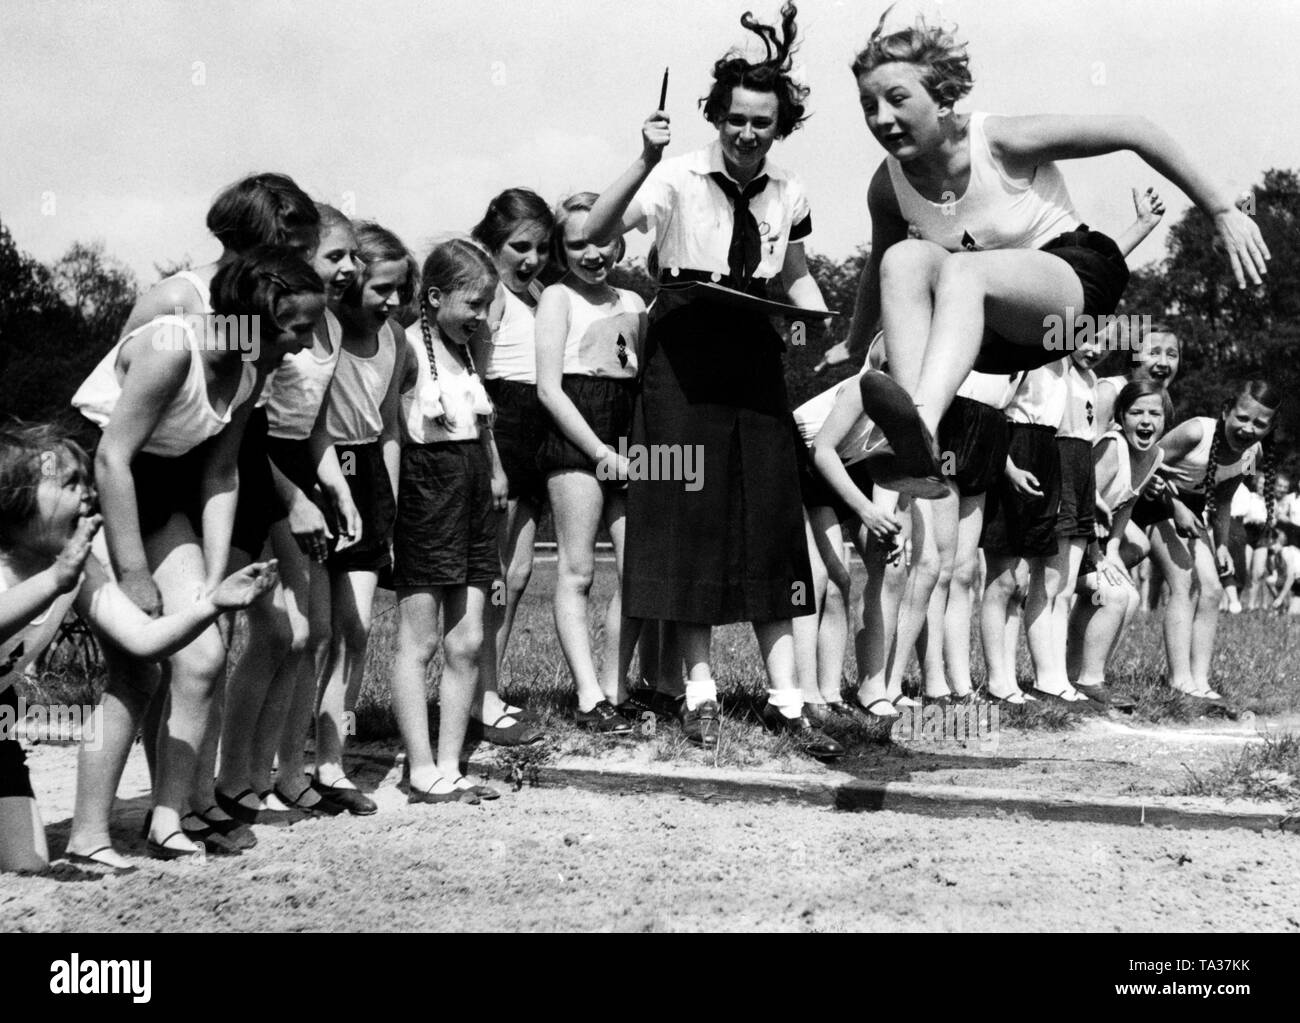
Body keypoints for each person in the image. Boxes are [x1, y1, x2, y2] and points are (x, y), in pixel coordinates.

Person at [822, 10, 1267, 497]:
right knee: (904, 260)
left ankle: (923, 422)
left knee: (963, 270)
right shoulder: (888, 187)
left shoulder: (1000, 141)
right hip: (993, 337)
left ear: (944, 98)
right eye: (869, 106)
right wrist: (854, 338)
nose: (882, 119)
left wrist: (1221, 210)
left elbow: (1135, 130)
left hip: (1069, 297)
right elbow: (879, 267)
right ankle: (914, 435)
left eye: (897, 99)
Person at [585, 2, 841, 757]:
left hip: (753, 353)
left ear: (779, 125)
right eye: (735, 118)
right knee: (690, 514)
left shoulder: (790, 193)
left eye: (762, 122)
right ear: (717, 115)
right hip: (681, 355)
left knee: (769, 517)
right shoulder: (673, 178)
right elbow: (597, 233)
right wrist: (639, 154)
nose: (746, 132)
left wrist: (823, 324)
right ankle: (697, 690)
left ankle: (787, 698)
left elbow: (795, 278)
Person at [66, 250, 324, 861]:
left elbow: (220, 474)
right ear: (251, 320)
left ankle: (167, 815)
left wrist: (213, 583)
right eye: (297, 328)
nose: (307, 344)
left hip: (165, 494)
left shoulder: (248, 372)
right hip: (94, 489)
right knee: (138, 669)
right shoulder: (170, 348)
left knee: (203, 652)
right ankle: (87, 836)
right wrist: (132, 572)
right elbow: (111, 459)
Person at [0, 425, 278, 873]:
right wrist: (54, 580)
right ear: (16, 504)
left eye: (88, 483)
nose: (88, 496)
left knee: (26, 868)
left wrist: (214, 603)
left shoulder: (76, 565)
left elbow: (143, 642)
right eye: (69, 484)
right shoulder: (53, 571)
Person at [217, 204, 362, 820]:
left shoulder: (323, 324)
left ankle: (283, 770)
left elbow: (315, 428)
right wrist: (294, 497)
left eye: (354, 256)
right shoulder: (274, 322)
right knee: (272, 632)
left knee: (312, 635)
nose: (349, 268)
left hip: (299, 477)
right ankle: (231, 777)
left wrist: (337, 489)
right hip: (256, 473)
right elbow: (251, 429)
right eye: (335, 256)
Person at [391, 237, 507, 804]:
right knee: (421, 641)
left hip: (471, 495)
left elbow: (481, 428)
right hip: (424, 490)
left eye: (488, 305)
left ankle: (450, 763)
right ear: (434, 297)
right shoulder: (405, 349)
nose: (482, 316)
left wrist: (494, 472)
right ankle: (419, 768)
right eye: (473, 304)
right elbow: (390, 432)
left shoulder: (469, 352)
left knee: (468, 640)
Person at [306, 222, 414, 814]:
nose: (394, 302)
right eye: (382, 290)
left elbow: (390, 427)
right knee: (309, 632)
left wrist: (388, 509)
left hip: (369, 474)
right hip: (318, 472)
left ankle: (331, 761)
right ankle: (280, 756)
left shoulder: (396, 339)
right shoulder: (318, 333)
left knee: (357, 628)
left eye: (400, 290)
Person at [536, 194, 648, 733]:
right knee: (577, 571)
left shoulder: (633, 300)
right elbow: (548, 390)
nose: (592, 252)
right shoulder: (557, 297)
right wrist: (600, 452)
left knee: (637, 571)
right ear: (560, 249)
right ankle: (586, 697)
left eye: (601, 239)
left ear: (620, 237)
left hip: (632, 434)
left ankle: (615, 687)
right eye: (577, 243)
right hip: (578, 433)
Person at [470, 189, 554, 744]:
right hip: (502, 427)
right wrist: (493, 461)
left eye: (542, 248)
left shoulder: (542, 294)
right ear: (492, 244)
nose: (531, 259)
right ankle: (481, 699)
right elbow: (473, 383)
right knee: (493, 576)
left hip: (538, 431)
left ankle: (490, 691)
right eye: (519, 247)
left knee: (518, 576)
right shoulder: (492, 295)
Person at [1149, 380, 1282, 698]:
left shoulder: (1253, 453)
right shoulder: (1196, 431)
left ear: (1269, 428)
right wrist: (1175, 506)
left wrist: (1221, 543)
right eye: (1243, 418)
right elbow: (1143, 464)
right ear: (1226, 411)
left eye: (1260, 424)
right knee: (1184, 582)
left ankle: (1200, 682)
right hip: (1149, 502)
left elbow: (1224, 497)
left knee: (1211, 590)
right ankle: (1179, 681)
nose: (1249, 429)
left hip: (1191, 512)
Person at [798, 338, 904, 719]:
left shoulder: (907, 401)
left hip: (847, 468)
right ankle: (809, 694)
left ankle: (857, 690)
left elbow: (887, 465)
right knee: (827, 579)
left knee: (890, 567)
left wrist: (886, 523)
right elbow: (821, 451)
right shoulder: (862, 386)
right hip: (803, 463)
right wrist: (867, 511)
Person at [1066, 381, 1170, 702]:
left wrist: (1112, 550)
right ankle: (1088, 680)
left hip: (1096, 543)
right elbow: (1084, 498)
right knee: (1109, 594)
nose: (1145, 421)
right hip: (1070, 537)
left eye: (1154, 413)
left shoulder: (1154, 455)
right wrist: (1097, 554)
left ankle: (1079, 673)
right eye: (1136, 412)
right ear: (1120, 418)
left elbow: (1127, 504)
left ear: (1167, 418)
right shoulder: (1113, 446)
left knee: (1130, 596)